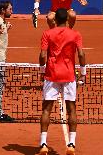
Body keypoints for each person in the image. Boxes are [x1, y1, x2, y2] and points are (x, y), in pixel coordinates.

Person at [38, 8, 86, 155]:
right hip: (69, 75)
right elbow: (81, 54)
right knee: (71, 109)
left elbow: (42, 55)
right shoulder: (75, 34)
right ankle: (71, 144)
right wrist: (83, 74)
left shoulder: (47, 33)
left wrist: (41, 71)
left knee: (46, 109)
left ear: (54, 20)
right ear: (67, 20)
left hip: (51, 74)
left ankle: (43, 144)